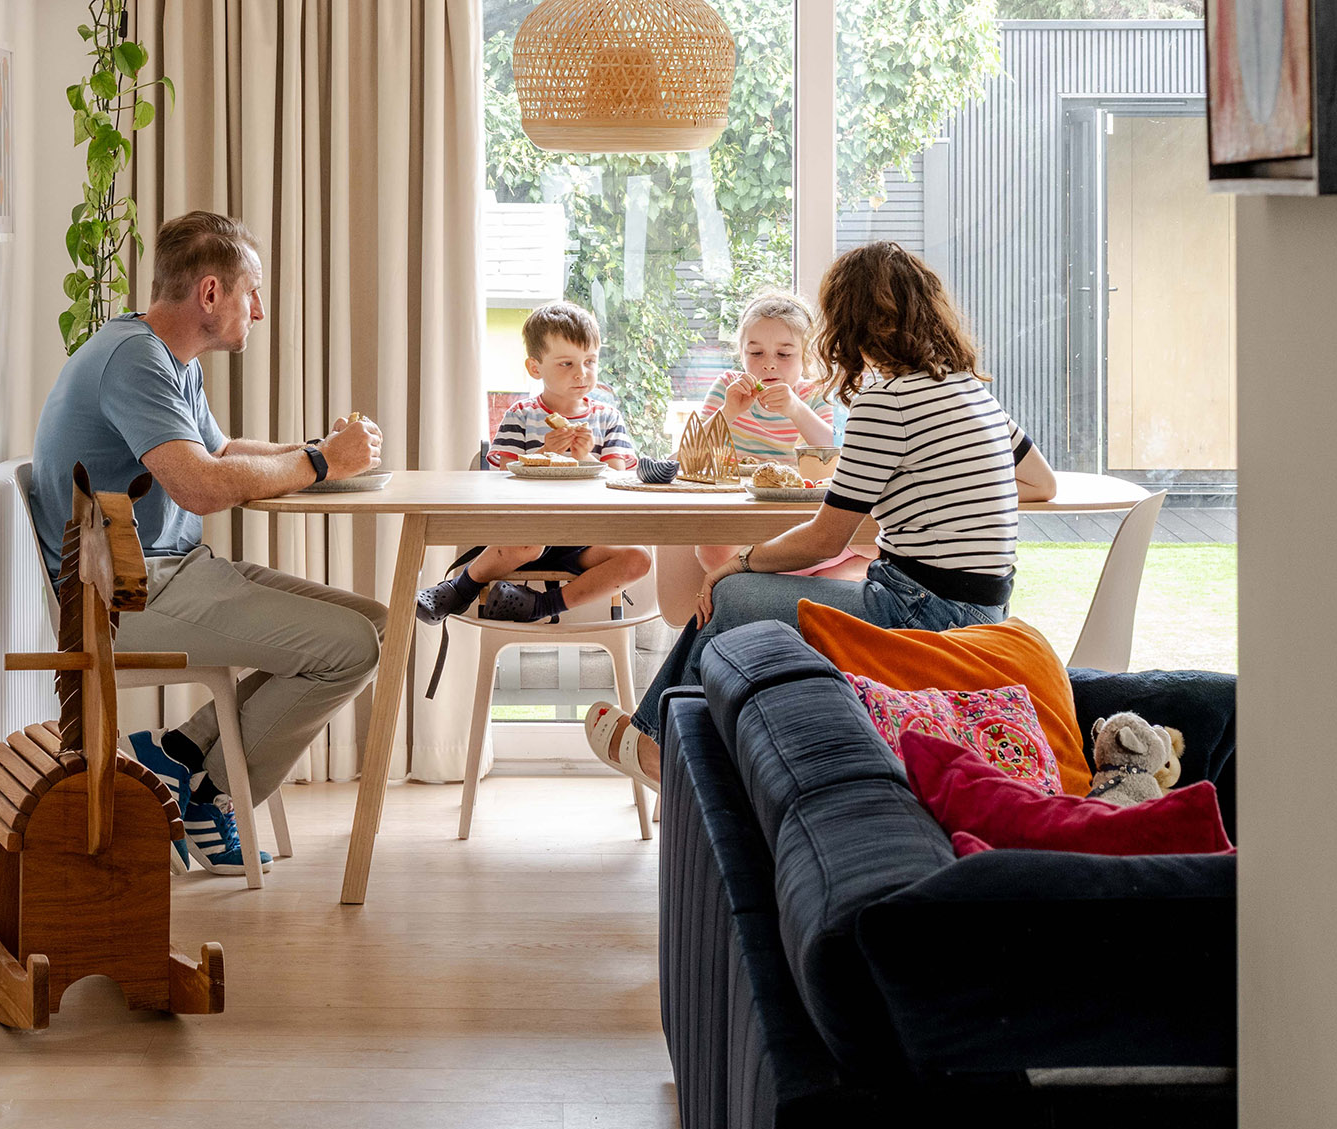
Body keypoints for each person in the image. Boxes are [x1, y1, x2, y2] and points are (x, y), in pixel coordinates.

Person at [582, 242, 1057, 791]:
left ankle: (659, 751)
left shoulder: (888, 401)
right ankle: (693, 754)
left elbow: (825, 539)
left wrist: (739, 562)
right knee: (740, 598)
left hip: (920, 609)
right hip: (983, 605)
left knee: (731, 595)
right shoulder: (972, 390)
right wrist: (944, 490)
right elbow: (1041, 482)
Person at [28, 210, 385, 867]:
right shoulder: (133, 360)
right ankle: (209, 798)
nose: (259, 309)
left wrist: (320, 452)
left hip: (172, 573)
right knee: (351, 647)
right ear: (211, 293)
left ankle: (182, 754)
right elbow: (200, 486)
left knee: (380, 625)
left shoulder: (165, 358)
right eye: (252, 291)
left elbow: (221, 452)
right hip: (121, 601)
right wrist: (321, 463)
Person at [414, 300, 654, 625]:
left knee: (637, 558)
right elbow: (501, 482)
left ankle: (539, 605)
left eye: (590, 361)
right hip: (526, 533)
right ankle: (460, 588)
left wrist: (588, 459)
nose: (581, 373)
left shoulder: (607, 419)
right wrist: (542, 456)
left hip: (585, 538)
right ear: (535, 368)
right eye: (566, 363)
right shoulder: (521, 416)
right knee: (526, 542)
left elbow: (619, 483)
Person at [651, 289, 872, 625]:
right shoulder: (729, 387)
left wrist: (796, 409)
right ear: (741, 354)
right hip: (742, 522)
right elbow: (685, 457)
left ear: (805, 357)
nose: (769, 363)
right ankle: (772, 603)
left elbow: (834, 454)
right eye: (756, 352)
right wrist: (728, 412)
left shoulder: (813, 395)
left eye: (784, 354)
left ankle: (775, 603)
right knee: (713, 550)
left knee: (870, 550)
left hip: (799, 524)